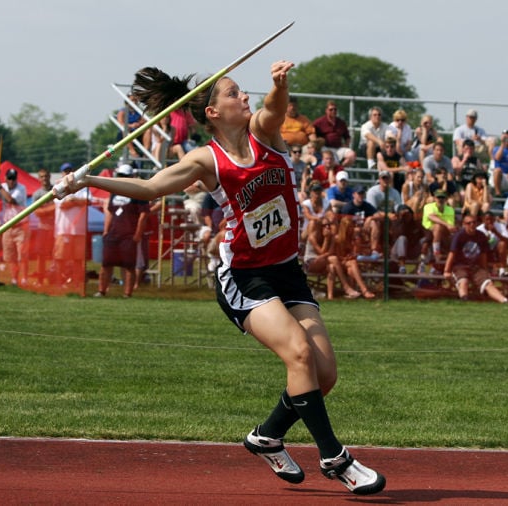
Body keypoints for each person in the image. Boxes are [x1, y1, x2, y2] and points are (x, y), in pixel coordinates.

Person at [60, 61, 385, 495]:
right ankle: (336, 459)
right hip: (244, 276)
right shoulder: (205, 160)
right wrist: (85, 180)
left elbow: (273, 109)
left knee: (324, 375)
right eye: (234, 94)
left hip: (286, 270)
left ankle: (267, 437)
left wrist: (280, 86)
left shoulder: (265, 134)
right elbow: (152, 188)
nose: (244, 98)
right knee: (299, 355)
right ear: (212, 112)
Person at [94, 164, 149, 297]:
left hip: (129, 235)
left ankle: (127, 293)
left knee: (128, 266)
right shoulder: (115, 192)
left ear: (131, 177)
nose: (121, 178)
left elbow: (144, 214)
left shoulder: (139, 192)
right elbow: (110, 212)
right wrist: (106, 231)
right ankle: (102, 291)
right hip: (113, 233)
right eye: (120, 176)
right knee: (106, 264)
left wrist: (137, 234)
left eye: (124, 176)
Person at [443, 213, 508, 303]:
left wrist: (484, 269)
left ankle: (504, 301)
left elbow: (483, 255)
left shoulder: (481, 236)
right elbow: (452, 254)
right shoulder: (459, 236)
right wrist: (446, 271)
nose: (472, 225)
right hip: (460, 266)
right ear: (464, 224)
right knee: (463, 281)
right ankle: (464, 300)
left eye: (474, 222)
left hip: (476, 267)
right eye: (469, 223)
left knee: (488, 283)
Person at [0, 167, 29, 286]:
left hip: (21, 225)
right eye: (9, 178)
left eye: (13, 179)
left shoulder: (21, 188)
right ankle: (14, 279)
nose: (11, 181)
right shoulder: (2, 186)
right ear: (6, 178)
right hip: (8, 226)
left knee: (22, 255)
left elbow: (11, 200)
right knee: (10, 255)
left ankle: (24, 278)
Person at [302, 215, 361, 300]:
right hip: (311, 262)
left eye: (329, 225)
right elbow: (322, 252)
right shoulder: (313, 237)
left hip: (324, 261)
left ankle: (330, 296)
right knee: (333, 259)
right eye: (325, 225)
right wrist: (326, 239)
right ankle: (346, 287)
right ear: (319, 226)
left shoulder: (331, 236)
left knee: (332, 267)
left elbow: (331, 252)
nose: (328, 227)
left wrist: (328, 241)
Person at [54, 162, 90, 288]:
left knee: (78, 259)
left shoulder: (81, 185)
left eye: (70, 170)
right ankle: (59, 281)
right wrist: (75, 202)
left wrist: (73, 200)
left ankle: (76, 282)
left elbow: (87, 201)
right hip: (63, 229)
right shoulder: (58, 185)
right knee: (60, 258)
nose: (68, 173)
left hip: (78, 230)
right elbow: (62, 204)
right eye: (65, 171)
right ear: (62, 173)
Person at [365, 170, 402, 257]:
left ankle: (397, 251)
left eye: (387, 178)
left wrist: (399, 213)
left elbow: (397, 207)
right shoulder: (373, 192)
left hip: (390, 218)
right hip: (375, 218)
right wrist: (388, 215)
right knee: (375, 222)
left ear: (390, 180)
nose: (385, 180)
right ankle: (374, 250)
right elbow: (372, 211)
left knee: (400, 221)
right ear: (380, 179)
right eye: (383, 178)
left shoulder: (395, 192)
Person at [30, 168, 55, 286]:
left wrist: (44, 209)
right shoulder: (37, 194)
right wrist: (51, 208)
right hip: (42, 228)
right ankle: (40, 279)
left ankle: (54, 278)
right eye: (42, 176)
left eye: (46, 176)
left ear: (49, 176)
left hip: (55, 228)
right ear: (39, 178)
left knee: (56, 255)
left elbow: (60, 207)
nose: (44, 178)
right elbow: (37, 212)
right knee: (41, 255)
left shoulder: (56, 190)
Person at [312, 100, 356, 168]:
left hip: (338, 148)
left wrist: (346, 145)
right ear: (326, 110)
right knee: (331, 159)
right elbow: (311, 132)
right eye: (331, 109)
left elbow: (347, 137)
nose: (333, 111)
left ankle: (339, 168)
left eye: (335, 109)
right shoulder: (319, 122)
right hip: (325, 148)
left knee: (352, 155)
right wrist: (316, 143)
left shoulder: (341, 123)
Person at [421, 189, 456, 264]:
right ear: (434, 198)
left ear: (446, 199)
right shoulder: (428, 206)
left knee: (442, 228)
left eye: (442, 198)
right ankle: (436, 253)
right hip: (427, 230)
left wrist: (446, 225)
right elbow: (431, 217)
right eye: (438, 197)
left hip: (443, 232)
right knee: (438, 227)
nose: (440, 200)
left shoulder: (450, 209)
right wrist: (446, 224)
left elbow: (451, 226)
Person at [116, 93, 146, 158]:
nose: (134, 102)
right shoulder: (123, 111)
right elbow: (120, 124)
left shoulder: (138, 111)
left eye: (135, 100)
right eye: (132, 100)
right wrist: (131, 125)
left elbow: (145, 120)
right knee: (126, 129)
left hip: (136, 133)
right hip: (124, 134)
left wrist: (138, 124)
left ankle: (146, 152)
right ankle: (133, 152)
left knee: (148, 130)